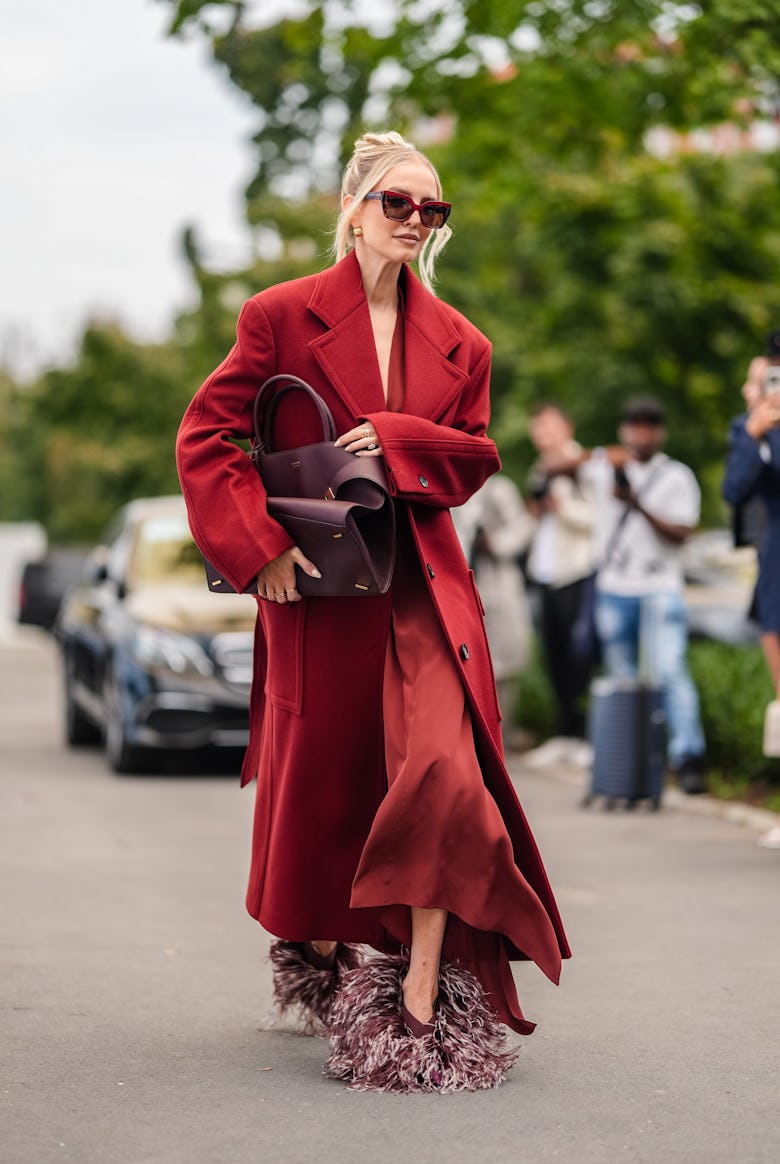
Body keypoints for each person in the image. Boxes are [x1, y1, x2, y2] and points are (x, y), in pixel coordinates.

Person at [176, 131, 569, 1092]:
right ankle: (322, 948)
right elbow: (208, 433)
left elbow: (474, 458)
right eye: (399, 203)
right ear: (354, 210)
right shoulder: (278, 315)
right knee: (334, 787)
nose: (417, 222)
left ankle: (419, 1007)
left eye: (432, 209)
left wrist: (396, 441)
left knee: (444, 777)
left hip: (425, 592)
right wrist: (257, 545)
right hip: (321, 592)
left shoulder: (464, 342)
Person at [581, 396, 708, 794]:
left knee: (670, 672)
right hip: (614, 587)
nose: (642, 432)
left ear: (661, 431)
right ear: (624, 430)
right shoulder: (606, 468)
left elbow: (683, 532)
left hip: (659, 587)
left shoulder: (676, 476)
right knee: (622, 678)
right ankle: (628, 761)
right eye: (635, 425)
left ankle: (687, 757)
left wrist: (637, 503)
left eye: (649, 425)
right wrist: (605, 454)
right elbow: (556, 462)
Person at [722, 332, 780, 849]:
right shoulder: (747, 429)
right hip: (773, 572)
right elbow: (733, 490)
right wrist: (756, 434)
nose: (753, 387)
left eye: (765, 379)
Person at [523, 403, 596, 767]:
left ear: (567, 427)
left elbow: (597, 518)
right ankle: (564, 735)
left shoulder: (581, 463)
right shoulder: (541, 469)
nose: (543, 434)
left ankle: (583, 737)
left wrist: (561, 507)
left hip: (575, 573)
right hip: (546, 572)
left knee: (578, 658)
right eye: (538, 427)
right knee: (553, 657)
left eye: (549, 426)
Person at [451, 473, 535, 750]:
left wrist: (493, 542)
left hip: (496, 581)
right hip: (457, 581)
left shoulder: (498, 488)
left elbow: (522, 529)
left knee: (504, 661)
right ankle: (466, 733)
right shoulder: (450, 484)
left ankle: (502, 734)